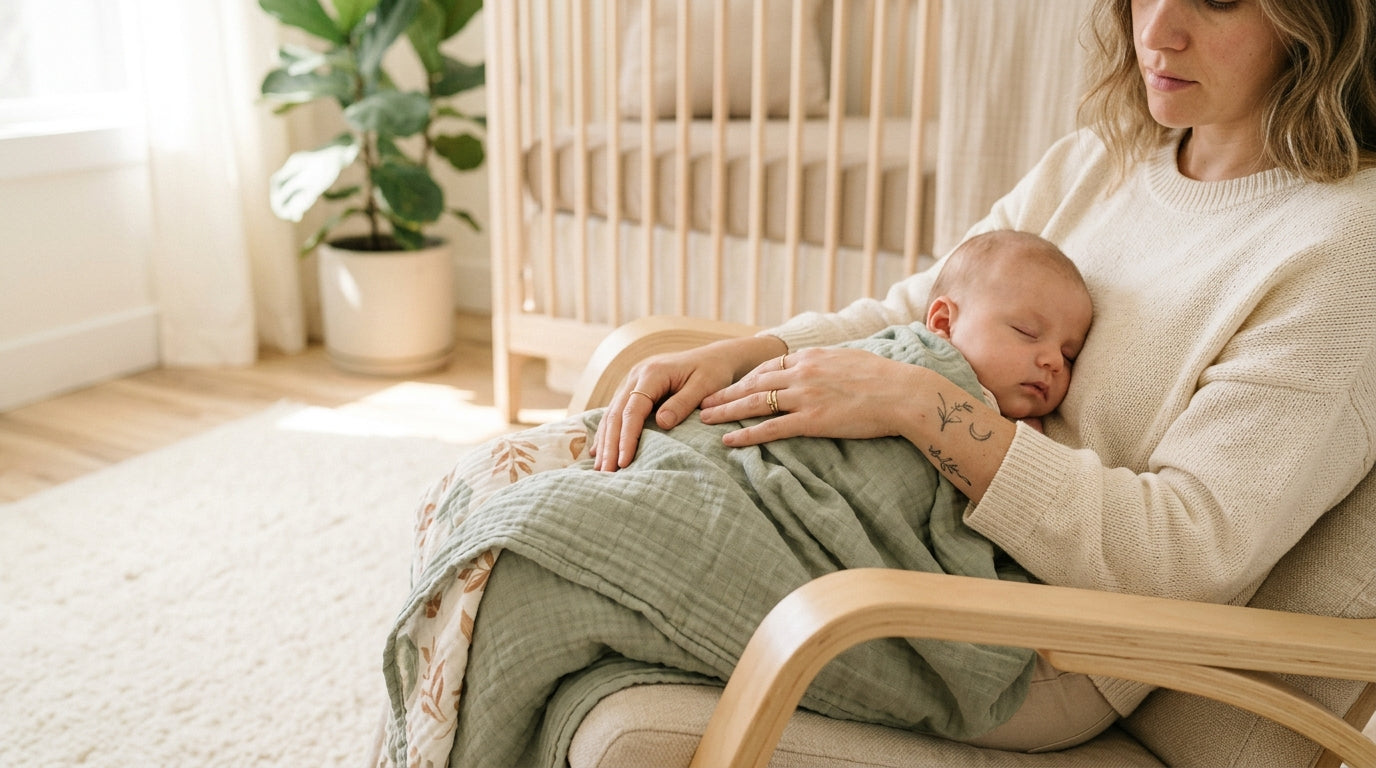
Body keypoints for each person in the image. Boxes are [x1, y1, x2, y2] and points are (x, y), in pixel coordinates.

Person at [382, 0, 1376, 763]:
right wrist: (747, 352)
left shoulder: (1338, 249)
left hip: (1034, 636)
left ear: (1315, 23)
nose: (1153, 28)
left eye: (1216, 0)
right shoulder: (1107, 157)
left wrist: (917, 404)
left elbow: (1185, 553)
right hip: (891, 524)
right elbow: (919, 308)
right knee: (486, 482)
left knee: (531, 567)